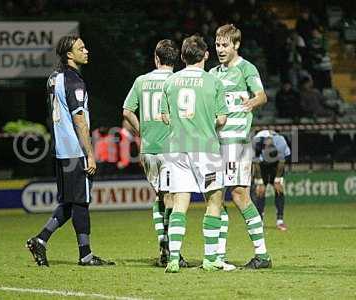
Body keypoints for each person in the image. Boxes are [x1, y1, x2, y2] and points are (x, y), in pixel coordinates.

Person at [26, 35, 113, 267]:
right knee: (81, 202)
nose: (86, 51)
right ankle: (85, 255)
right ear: (69, 55)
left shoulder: (53, 78)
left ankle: (40, 240)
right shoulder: (75, 81)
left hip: (60, 150)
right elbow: (79, 120)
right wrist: (90, 153)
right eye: (81, 48)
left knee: (69, 201)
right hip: (75, 150)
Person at [161, 34, 236, 273]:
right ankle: (210, 258)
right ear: (206, 55)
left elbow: (165, 117)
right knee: (214, 200)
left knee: (179, 202)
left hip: (177, 149)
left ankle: (173, 258)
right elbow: (222, 119)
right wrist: (207, 124)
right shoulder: (213, 82)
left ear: (182, 57)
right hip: (206, 148)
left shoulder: (170, 82)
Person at [209, 24, 271, 269]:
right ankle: (218, 256)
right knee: (216, 196)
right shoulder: (213, 73)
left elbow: (262, 95)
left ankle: (262, 254)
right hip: (215, 143)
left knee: (239, 194)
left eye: (225, 45)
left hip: (237, 142)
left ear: (236, 45)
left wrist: (251, 103)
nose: (220, 49)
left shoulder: (246, 68)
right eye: (217, 44)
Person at [122, 39, 188, 267]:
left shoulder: (141, 81)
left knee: (160, 195)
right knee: (173, 197)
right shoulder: (179, 80)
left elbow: (127, 111)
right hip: (171, 148)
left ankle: (164, 244)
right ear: (176, 59)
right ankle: (171, 249)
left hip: (148, 149)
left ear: (156, 58)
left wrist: (143, 129)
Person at [252, 130, 291, 231]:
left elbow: (282, 162)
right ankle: (259, 220)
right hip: (262, 166)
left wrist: (277, 180)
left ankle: (280, 221)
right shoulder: (256, 145)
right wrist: (260, 182)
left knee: (279, 190)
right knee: (260, 191)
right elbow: (256, 164)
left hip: (276, 165)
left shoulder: (281, 144)